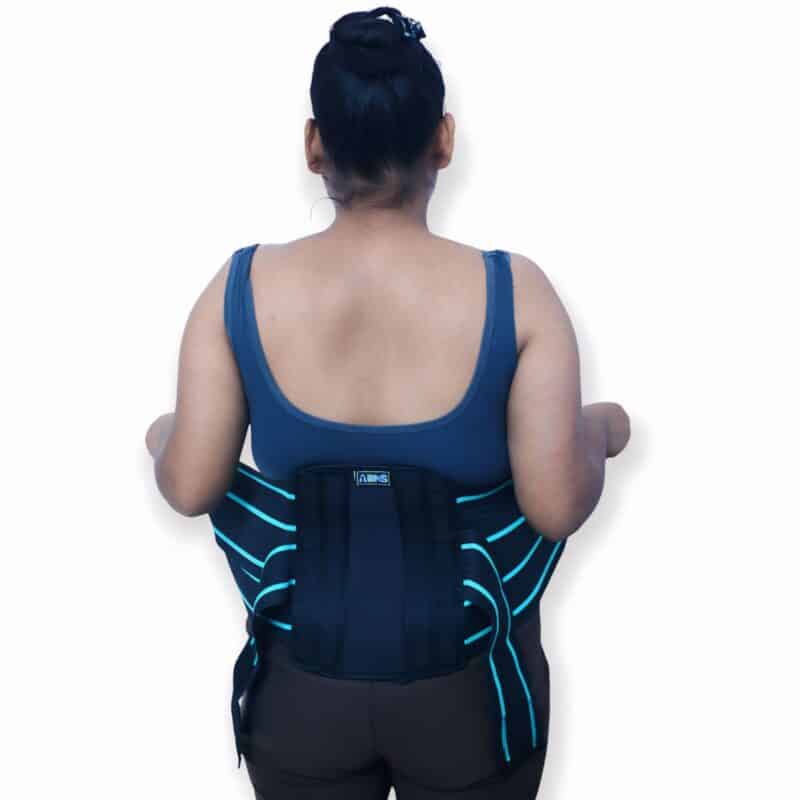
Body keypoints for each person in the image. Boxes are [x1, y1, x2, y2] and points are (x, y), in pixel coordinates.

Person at [145, 7, 631, 799]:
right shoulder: (518, 294)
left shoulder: (237, 289)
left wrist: (162, 433)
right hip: (469, 699)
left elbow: (191, 483)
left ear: (314, 144)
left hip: (301, 698)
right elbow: (554, 503)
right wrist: (603, 431)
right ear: (443, 139)